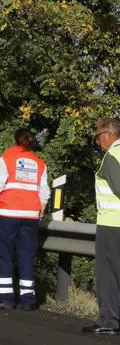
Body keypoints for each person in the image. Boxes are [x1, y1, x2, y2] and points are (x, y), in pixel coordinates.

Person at [0, 129, 50, 310]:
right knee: (27, 256)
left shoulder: (8, 157)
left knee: (4, 254)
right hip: (30, 216)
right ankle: (28, 300)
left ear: (15, 140)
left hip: (8, 213)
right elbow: (44, 192)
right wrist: (40, 211)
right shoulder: (39, 163)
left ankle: (6, 298)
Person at [83, 118, 120, 335]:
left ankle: (109, 320)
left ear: (108, 134)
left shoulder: (112, 156)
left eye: (98, 136)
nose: (98, 142)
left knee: (109, 275)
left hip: (112, 225)